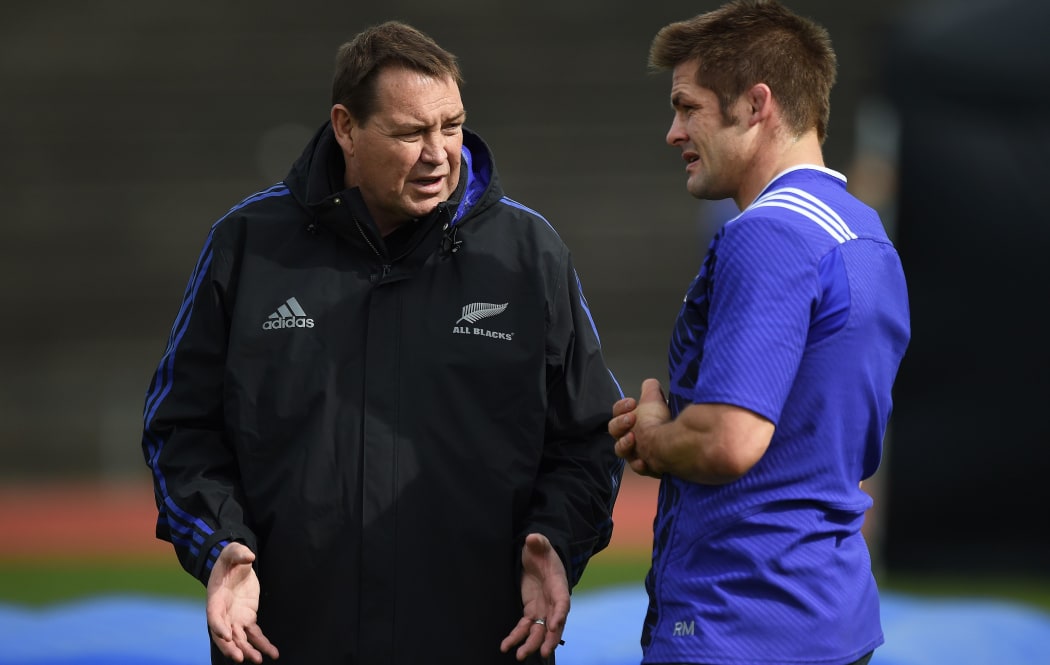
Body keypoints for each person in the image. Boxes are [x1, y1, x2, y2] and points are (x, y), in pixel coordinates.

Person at [141, 20, 624, 665]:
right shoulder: (247, 246)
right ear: (346, 128)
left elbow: (589, 437)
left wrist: (556, 539)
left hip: (484, 641)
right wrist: (219, 544)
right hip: (284, 642)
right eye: (410, 133)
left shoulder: (529, 255)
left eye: (452, 126)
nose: (438, 154)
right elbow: (180, 428)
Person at [607, 2, 911, 664]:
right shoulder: (866, 231)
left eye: (687, 107)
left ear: (755, 104)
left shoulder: (768, 233)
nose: (673, 132)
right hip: (832, 613)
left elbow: (729, 438)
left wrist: (655, 437)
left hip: (739, 617)